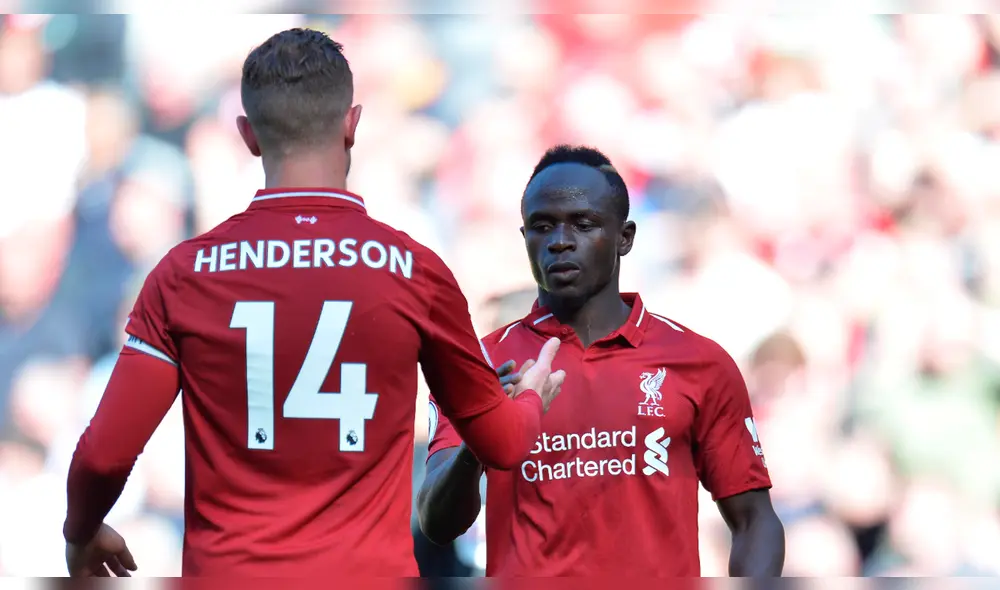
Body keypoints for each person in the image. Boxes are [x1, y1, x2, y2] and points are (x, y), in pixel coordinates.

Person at [61, 28, 565, 578]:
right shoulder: (414, 271)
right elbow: (503, 445)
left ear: (248, 136)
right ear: (352, 125)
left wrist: (82, 530)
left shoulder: (184, 275)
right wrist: (530, 397)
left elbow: (104, 455)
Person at [417, 145, 786, 577]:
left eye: (583, 224)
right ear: (525, 237)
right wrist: (483, 434)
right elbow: (437, 524)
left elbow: (754, 520)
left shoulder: (700, 362)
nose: (559, 241)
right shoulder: (480, 365)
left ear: (624, 238)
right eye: (542, 226)